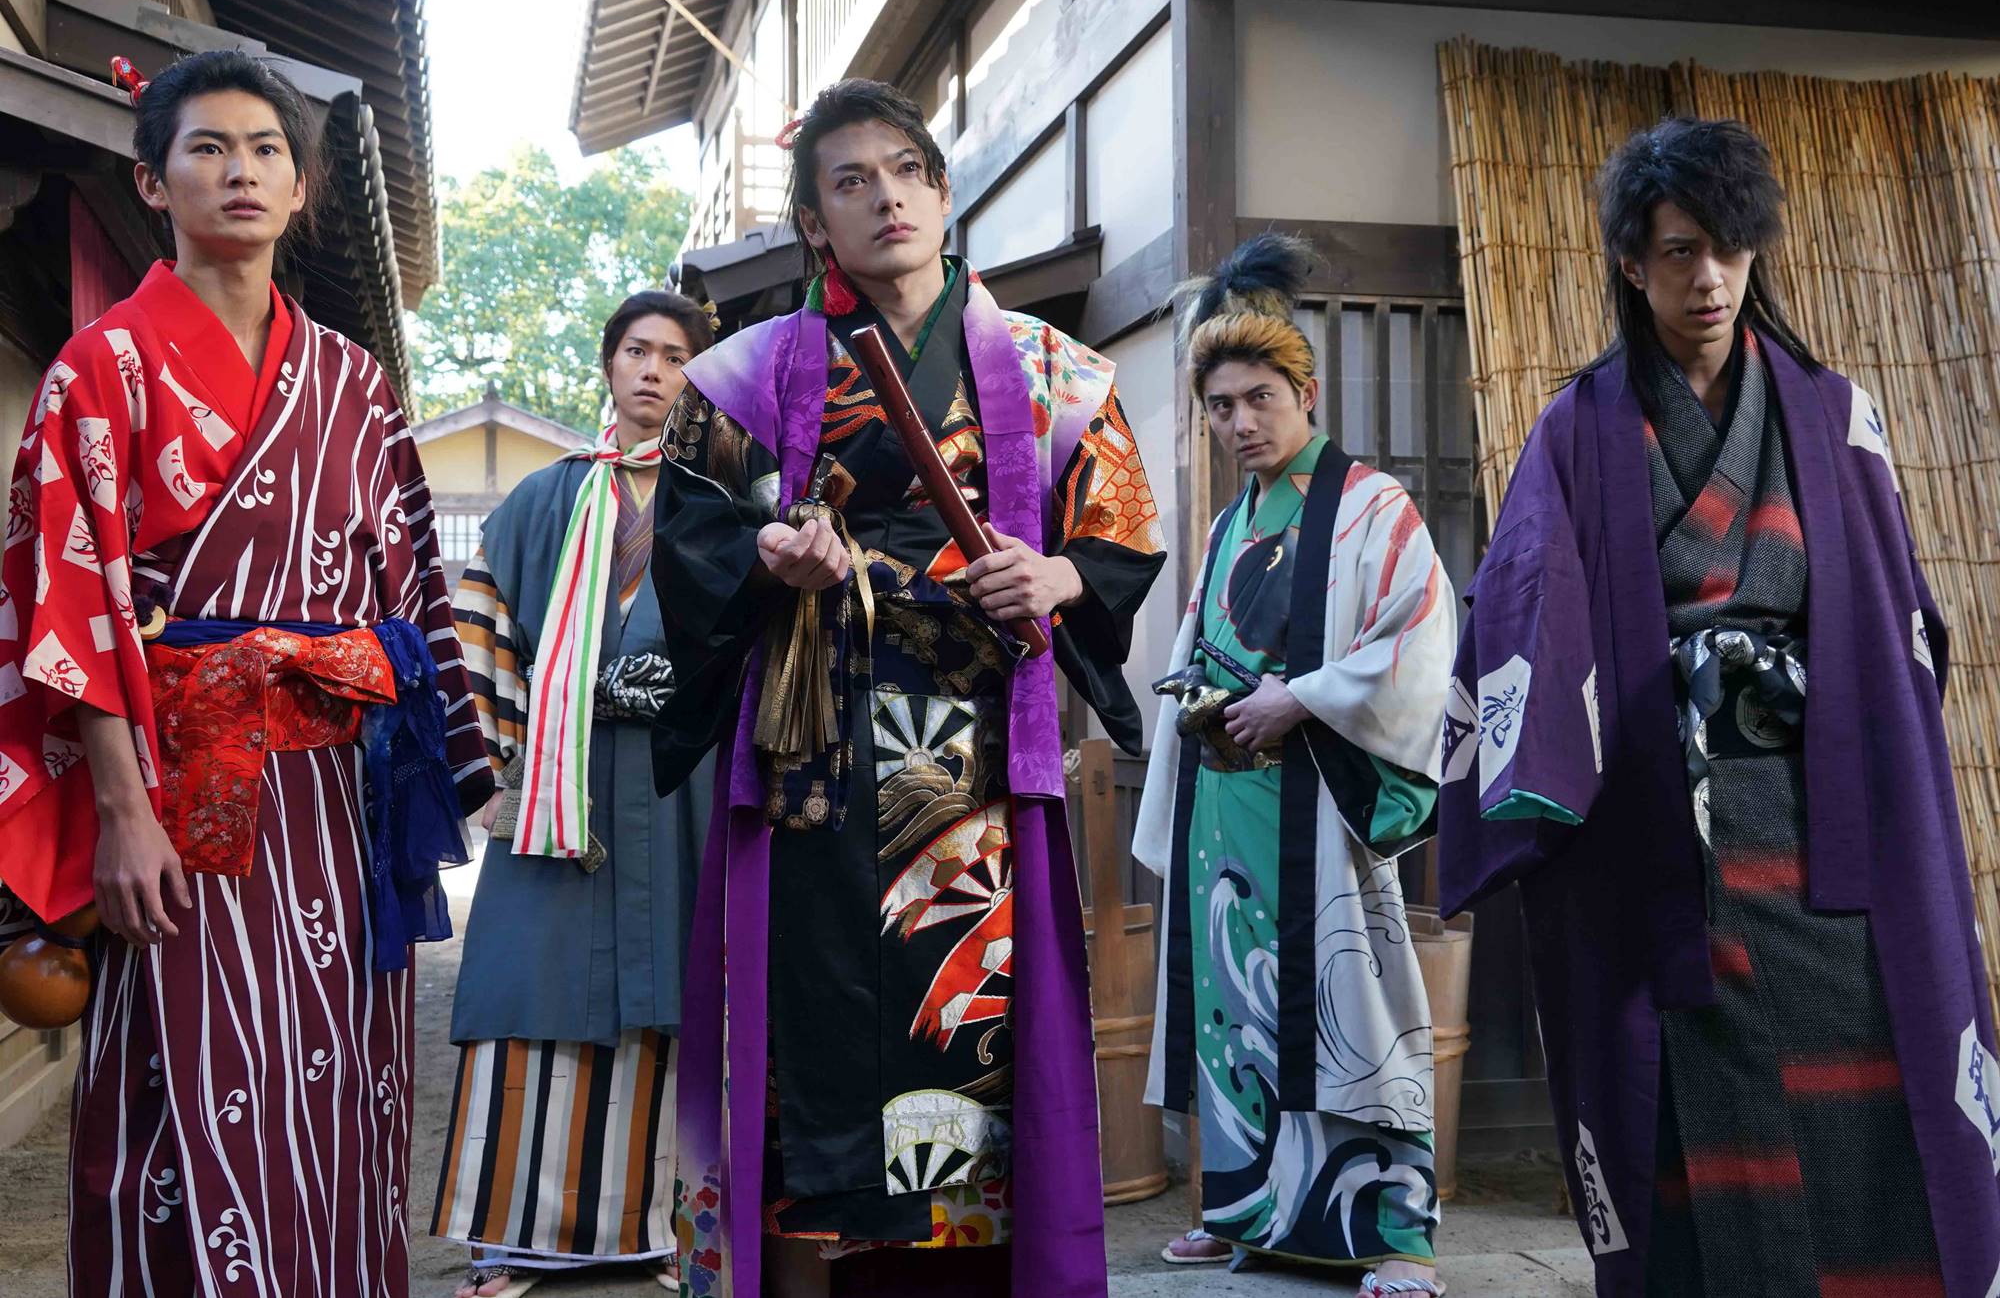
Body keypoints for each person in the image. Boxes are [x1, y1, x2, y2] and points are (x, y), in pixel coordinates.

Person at [1437, 117, 2000, 1295]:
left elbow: (1897, 618)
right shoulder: (1575, 427)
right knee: (1679, 1088)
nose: (1707, 278)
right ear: (1630, 264)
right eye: (1679, 251)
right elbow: (1521, 597)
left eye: (1729, 249)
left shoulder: (1834, 414)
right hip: (1655, 814)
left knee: (1864, 1061)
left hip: (1814, 813)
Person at [650, 78, 1166, 1298]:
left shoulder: (1053, 371)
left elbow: (1118, 542)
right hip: (813, 756)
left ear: (939, 191)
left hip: (969, 770)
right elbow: (690, 540)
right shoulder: (740, 375)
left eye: (905, 170)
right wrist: (767, 552)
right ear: (813, 223)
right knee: (807, 1040)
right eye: (849, 180)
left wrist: (1053, 574)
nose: (884, 197)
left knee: (970, 1028)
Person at [0, 50, 492, 1296]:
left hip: (333, 802)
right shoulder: (99, 367)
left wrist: (428, 767)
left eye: (267, 149)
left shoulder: (353, 382)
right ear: (151, 181)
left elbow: (409, 592)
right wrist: (120, 812)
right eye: (208, 147)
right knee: (182, 1079)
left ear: (301, 186)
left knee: (338, 1080)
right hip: (180, 788)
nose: (241, 171)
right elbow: (69, 605)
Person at [1131, 235, 1455, 1297]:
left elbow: (1420, 638)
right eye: (1220, 406)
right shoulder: (1233, 521)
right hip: (1230, 799)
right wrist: (1200, 700)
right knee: (1236, 1004)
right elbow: (1202, 645)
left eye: (1259, 398)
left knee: (1348, 1001)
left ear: (1304, 394)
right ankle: (1248, 1213)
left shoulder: (1372, 504)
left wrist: (1300, 696)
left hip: (1319, 797)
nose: (1240, 423)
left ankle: (1394, 1233)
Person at [430, 290, 717, 1296]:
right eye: (636, 349)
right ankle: (517, 1240)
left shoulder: (722, 506)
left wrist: (659, 685)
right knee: (530, 985)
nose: (652, 369)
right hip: (562, 783)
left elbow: (754, 649)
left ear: (696, 380)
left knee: (680, 987)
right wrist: (496, 777)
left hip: (679, 783)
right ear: (608, 363)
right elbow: (477, 630)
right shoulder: (543, 501)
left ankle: (667, 1230)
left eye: (674, 355)